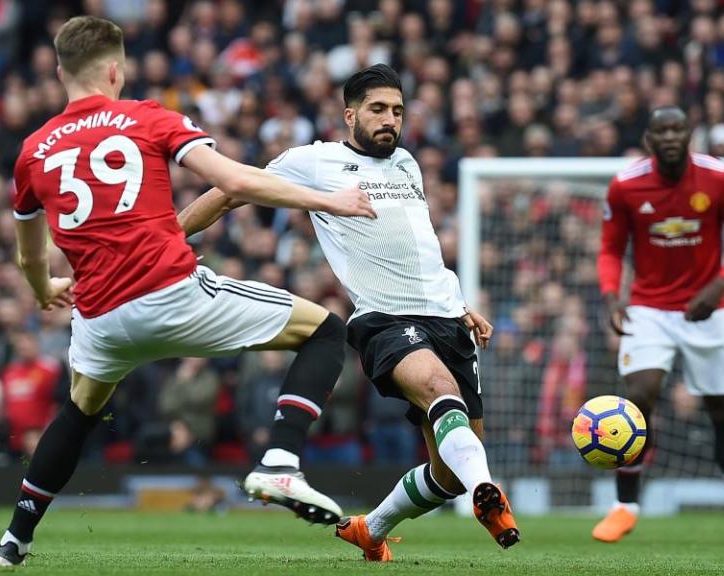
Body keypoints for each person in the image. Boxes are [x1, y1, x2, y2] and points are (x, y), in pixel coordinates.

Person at [0, 16, 377, 567]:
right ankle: (280, 464)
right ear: (116, 70)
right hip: (171, 292)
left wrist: (41, 289)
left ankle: (13, 542)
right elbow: (235, 182)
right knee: (326, 331)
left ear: (59, 71)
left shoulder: (32, 150)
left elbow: (29, 256)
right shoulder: (147, 117)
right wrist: (330, 201)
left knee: (79, 411)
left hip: (100, 319)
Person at [179, 64, 519, 561]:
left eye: (398, 111)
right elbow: (232, 190)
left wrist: (460, 305)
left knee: (447, 473)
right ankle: (486, 494)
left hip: (446, 318)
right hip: (384, 319)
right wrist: (168, 237)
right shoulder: (314, 161)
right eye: (378, 109)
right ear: (349, 114)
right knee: (442, 395)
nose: (390, 120)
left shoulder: (407, 163)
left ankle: (371, 528)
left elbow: (415, 248)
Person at [595, 106, 724, 547]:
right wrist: (610, 293)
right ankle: (624, 508)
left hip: (709, 309)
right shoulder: (626, 185)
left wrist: (720, 286)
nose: (670, 137)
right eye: (661, 130)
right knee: (638, 398)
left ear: (689, 135)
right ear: (649, 139)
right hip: (648, 308)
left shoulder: (720, 178)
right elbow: (609, 248)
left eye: (677, 129)